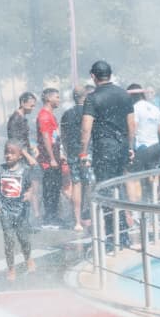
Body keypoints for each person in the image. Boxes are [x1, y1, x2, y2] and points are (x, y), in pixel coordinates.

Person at [79, 61, 135, 251]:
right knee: (120, 190)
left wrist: (83, 151)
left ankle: (112, 238)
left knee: (106, 192)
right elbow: (131, 124)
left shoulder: (92, 98)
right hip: (121, 147)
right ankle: (125, 236)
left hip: (104, 150)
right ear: (109, 75)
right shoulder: (124, 94)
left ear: (94, 77)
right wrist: (130, 146)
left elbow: (86, 127)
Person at [0, 140, 36, 281]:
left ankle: (28, 257)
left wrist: (30, 193)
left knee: (23, 238)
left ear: (20, 155)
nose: (8, 155)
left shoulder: (25, 170)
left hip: (21, 210)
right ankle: (11, 268)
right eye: (6, 152)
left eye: (12, 153)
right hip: (5, 212)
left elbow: (31, 186)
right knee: (9, 240)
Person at [60, 86, 90, 230]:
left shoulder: (67, 114)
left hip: (72, 152)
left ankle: (77, 221)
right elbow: (89, 132)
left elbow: (63, 135)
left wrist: (66, 150)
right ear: (86, 96)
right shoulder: (89, 112)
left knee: (76, 184)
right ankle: (89, 216)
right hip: (87, 152)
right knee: (89, 183)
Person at [35, 87, 64, 228]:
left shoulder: (50, 115)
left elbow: (54, 136)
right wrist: (52, 158)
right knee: (49, 188)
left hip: (55, 157)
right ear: (48, 99)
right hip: (48, 160)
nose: (59, 100)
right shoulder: (44, 116)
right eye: (57, 97)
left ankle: (54, 216)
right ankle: (49, 218)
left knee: (55, 187)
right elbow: (46, 137)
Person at [7, 92, 38, 165]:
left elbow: (23, 138)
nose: (33, 108)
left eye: (34, 106)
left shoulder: (22, 117)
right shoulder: (15, 119)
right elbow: (15, 141)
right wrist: (28, 157)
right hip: (19, 156)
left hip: (23, 154)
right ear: (22, 103)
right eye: (31, 106)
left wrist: (32, 147)